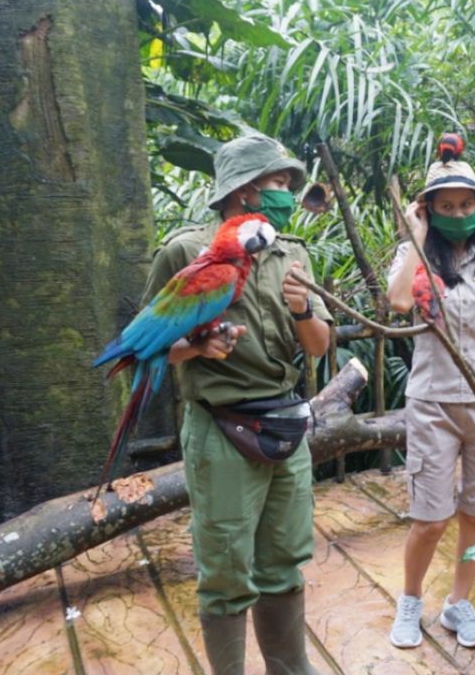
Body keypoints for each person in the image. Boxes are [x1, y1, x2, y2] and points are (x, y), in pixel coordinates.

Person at [144, 133, 332, 675]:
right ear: (245, 190)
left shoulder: (291, 252)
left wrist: (303, 311)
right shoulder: (187, 252)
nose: (286, 194)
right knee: (226, 574)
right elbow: (153, 348)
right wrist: (200, 345)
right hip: (220, 427)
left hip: (286, 422)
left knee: (284, 564)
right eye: (278, 183)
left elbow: (318, 347)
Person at [385, 142, 475, 650]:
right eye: (444, 206)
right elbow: (400, 301)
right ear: (429, 207)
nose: (457, 213)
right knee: (429, 518)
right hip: (433, 403)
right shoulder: (415, 253)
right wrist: (416, 232)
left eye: (464, 204)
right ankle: (410, 603)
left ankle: (458, 603)